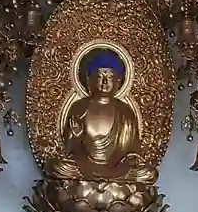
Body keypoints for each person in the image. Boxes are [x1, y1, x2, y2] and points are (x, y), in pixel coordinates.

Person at [46, 48, 153, 183]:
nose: (104, 82)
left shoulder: (125, 111)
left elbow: (133, 151)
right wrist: (77, 138)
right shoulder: (79, 107)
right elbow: (69, 149)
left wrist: (132, 158)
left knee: (148, 173)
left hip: (117, 168)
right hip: (84, 164)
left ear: (118, 81)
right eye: (99, 77)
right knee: (57, 166)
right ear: (89, 80)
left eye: (110, 77)